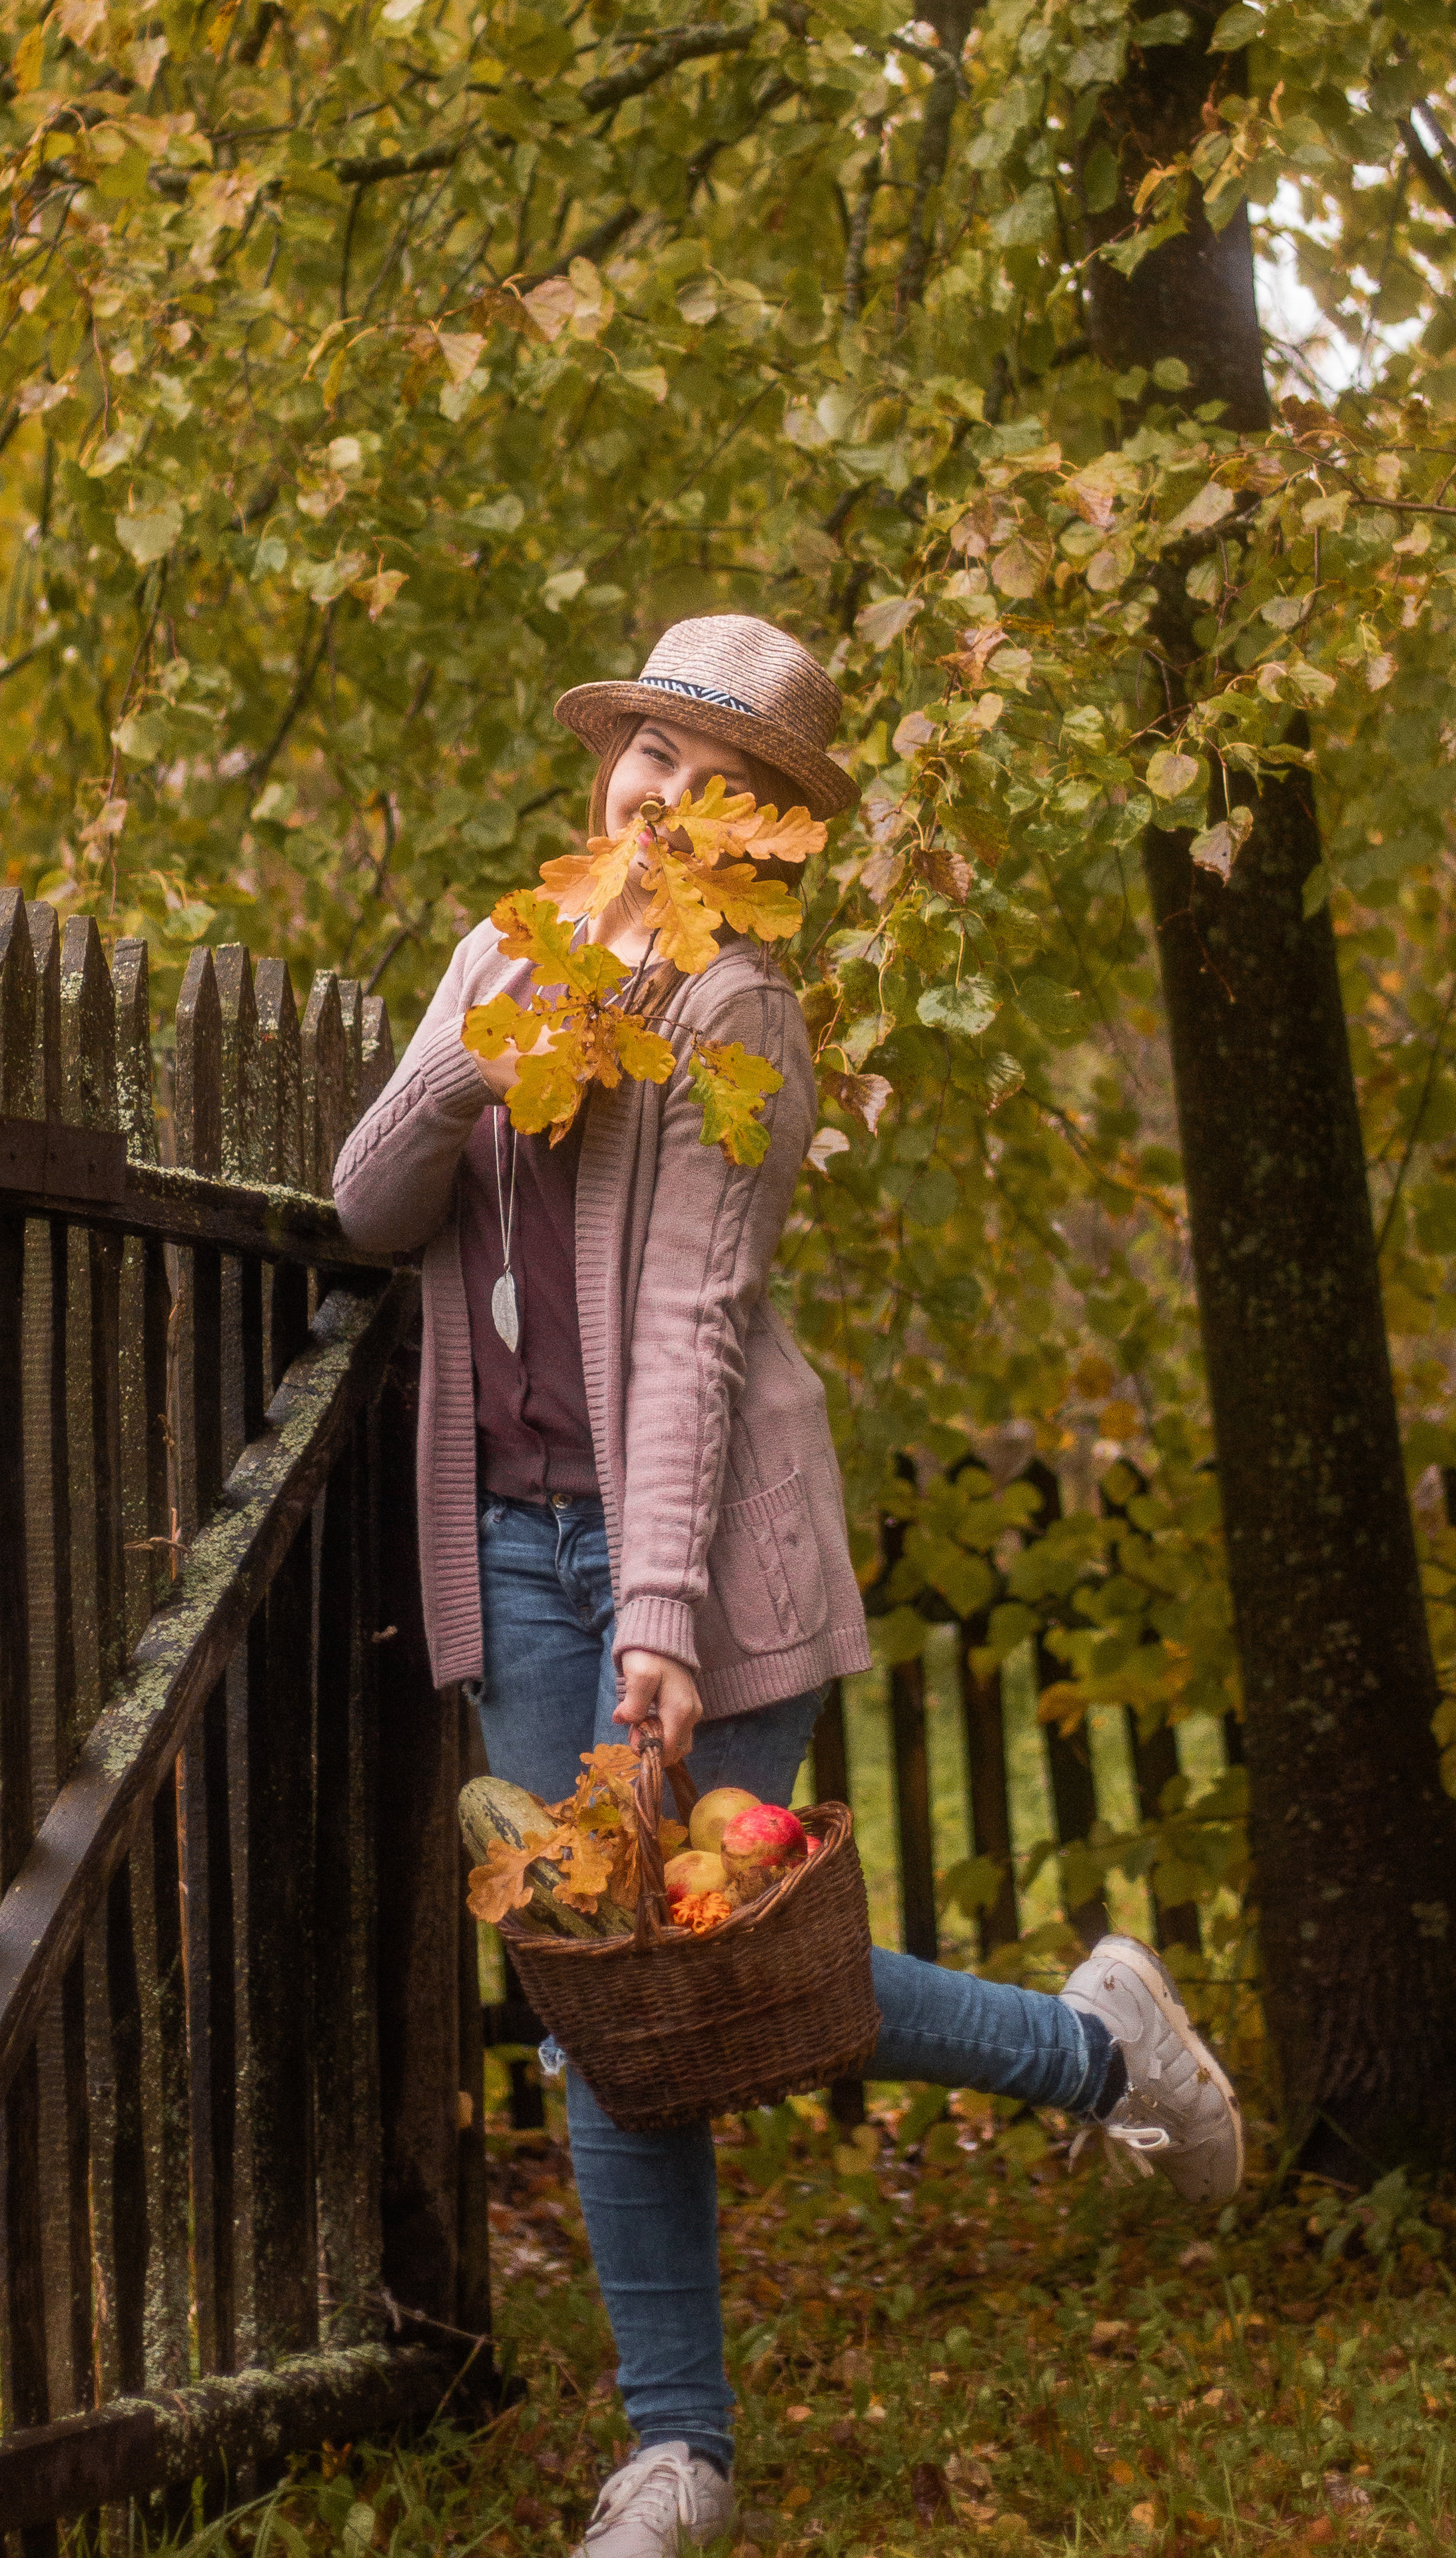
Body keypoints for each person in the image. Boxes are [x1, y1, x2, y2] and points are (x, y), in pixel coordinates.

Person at [333, 614, 1244, 2558]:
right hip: (513, 1552)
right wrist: (478, 1061)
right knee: (609, 1998)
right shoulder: (502, 952)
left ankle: (1077, 2070)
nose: (665, 795)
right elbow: (367, 1204)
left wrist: (658, 1618)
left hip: (700, 1554)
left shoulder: (736, 1013)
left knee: (717, 1966)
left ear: (763, 829)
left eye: (718, 780)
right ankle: (694, 2446)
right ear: (610, 770)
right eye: (650, 755)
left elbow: (692, 1328)